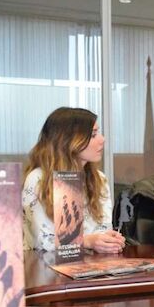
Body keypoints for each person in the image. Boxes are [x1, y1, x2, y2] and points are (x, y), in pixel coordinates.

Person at [23, 107, 125, 253]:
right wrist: (87, 241)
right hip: (46, 264)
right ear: (68, 141)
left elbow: (102, 228)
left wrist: (109, 240)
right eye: (93, 135)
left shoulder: (99, 179)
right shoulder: (38, 179)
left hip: (90, 262)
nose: (102, 139)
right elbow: (42, 241)